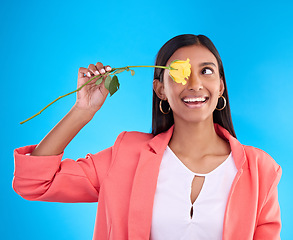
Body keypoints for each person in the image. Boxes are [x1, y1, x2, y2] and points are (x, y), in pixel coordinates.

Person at [13, 34, 282, 240]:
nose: (194, 84)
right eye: (181, 72)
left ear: (221, 86)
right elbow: (35, 183)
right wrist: (83, 111)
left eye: (206, 71)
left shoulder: (261, 170)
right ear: (160, 90)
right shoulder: (126, 155)